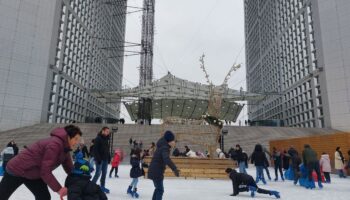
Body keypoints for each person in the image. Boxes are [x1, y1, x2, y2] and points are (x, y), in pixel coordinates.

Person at [0, 125, 81, 200]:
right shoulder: (55, 145)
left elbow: (70, 169)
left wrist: (81, 180)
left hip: (33, 173)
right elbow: (45, 171)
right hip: (17, 170)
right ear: (68, 137)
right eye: (76, 139)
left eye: (79, 139)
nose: (77, 142)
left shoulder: (65, 150)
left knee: (44, 197)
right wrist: (59, 189)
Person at [148, 131, 180, 200]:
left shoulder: (163, 146)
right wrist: (174, 169)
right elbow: (167, 159)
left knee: (158, 189)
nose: (174, 143)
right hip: (156, 171)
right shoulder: (165, 148)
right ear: (170, 141)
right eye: (174, 141)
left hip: (155, 170)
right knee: (160, 190)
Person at [92, 127, 111, 193]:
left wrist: (109, 157)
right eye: (106, 131)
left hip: (105, 159)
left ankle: (102, 186)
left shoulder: (106, 139)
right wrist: (98, 159)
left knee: (104, 173)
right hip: (100, 159)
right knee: (98, 173)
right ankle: (91, 186)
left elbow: (107, 149)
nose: (108, 133)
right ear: (102, 131)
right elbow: (95, 150)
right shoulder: (98, 138)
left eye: (108, 131)